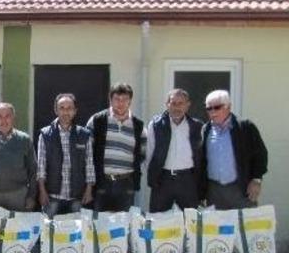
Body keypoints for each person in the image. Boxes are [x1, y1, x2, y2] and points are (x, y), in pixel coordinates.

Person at [200, 89, 268, 209]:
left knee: (244, 221)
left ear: (228, 107)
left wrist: (256, 179)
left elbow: (260, 154)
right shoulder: (206, 130)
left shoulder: (245, 127)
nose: (212, 112)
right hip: (214, 191)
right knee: (217, 222)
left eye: (217, 107)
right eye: (209, 108)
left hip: (240, 188)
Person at [87, 83, 146, 212]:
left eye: (125, 99)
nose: (121, 103)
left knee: (124, 221)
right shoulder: (97, 120)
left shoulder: (138, 125)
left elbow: (142, 153)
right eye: (117, 99)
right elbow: (88, 151)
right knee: (100, 221)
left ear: (130, 101)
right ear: (110, 99)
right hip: (101, 182)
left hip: (126, 184)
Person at [37, 94, 95, 217]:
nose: (65, 112)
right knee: (49, 228)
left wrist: (89, 190)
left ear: (75, 111)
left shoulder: (84, 135)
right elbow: (41, 166)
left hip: (77, 197)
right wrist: (42, 191)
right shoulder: (45, 135)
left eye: (69, 108)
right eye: (62, 108)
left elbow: (89, 164)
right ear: (56, 110)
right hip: (52, 196)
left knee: (77, 228)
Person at [145, 89, 203, 212]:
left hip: (187, 179)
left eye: (181, 103)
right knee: (158, 218)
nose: (177, 107)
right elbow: (149, 153)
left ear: (187, 105)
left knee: (190, 219)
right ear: (167, 104)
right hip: (163, 179)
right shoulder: (156, 125)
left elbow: (201, 155)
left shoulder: (197, 126)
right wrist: (154, 176)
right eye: (173, 103)